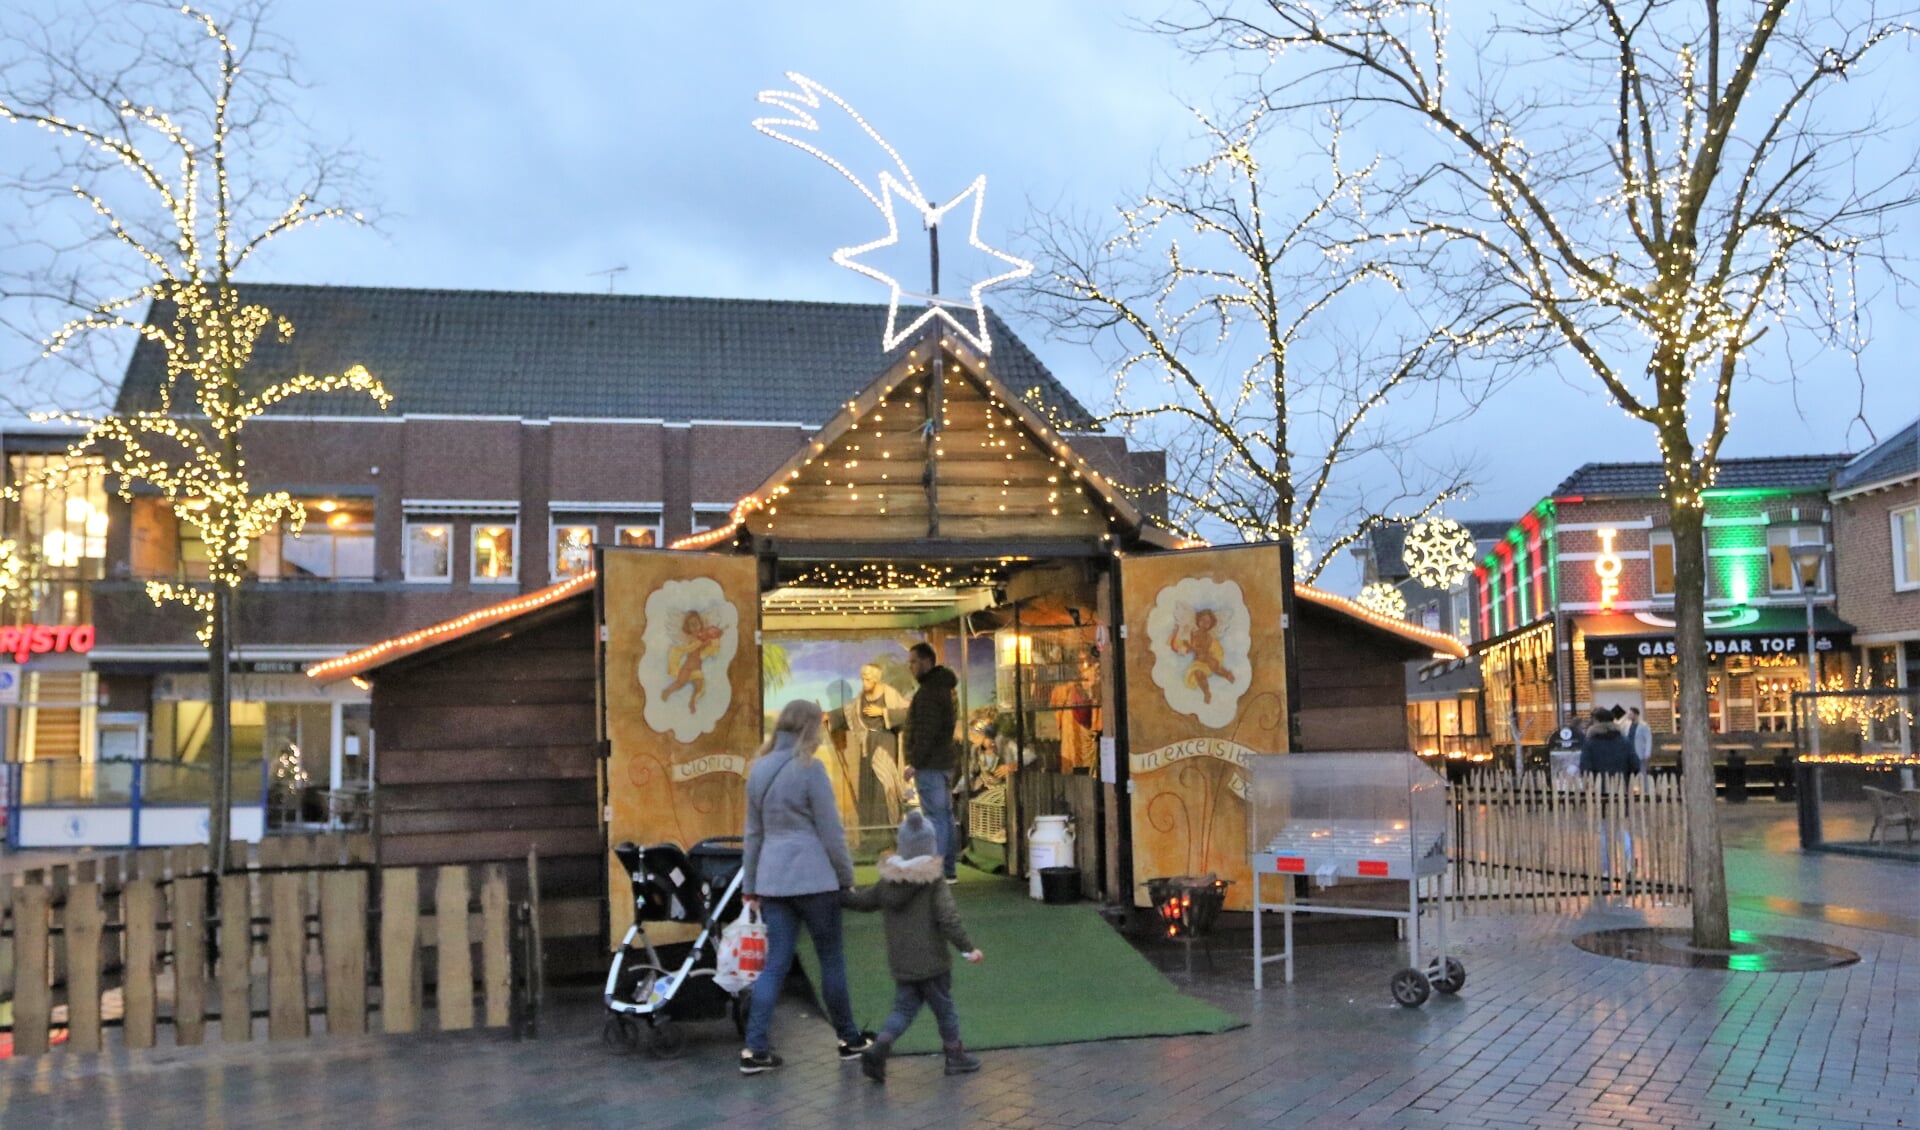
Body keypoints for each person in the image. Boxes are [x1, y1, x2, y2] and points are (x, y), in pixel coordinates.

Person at [739, 699, 872, 1075]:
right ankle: (848, 1039)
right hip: (816, 880)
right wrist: (847, 876)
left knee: (775, 963)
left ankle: (755, 1049)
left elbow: (753, 834)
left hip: (773, 881)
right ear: (811, 729)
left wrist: (751, 884)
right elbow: (831, 832)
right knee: (830, 959)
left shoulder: (759, 769)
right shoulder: (811, 770)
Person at [842, 811, 984, 1082]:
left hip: (902, 963)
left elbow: (862, 902)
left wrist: (837, 896)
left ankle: (880, 1046)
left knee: (903, 1010)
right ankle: (955, 1056)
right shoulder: (934, 881)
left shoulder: (887, 882)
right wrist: (968, 949)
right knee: (945, 1010)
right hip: (933, 963)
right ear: (931, 846)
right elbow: (948, 919)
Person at [905, 641, 961, 883]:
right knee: (946, 816)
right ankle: (948, 869)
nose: (911, 667)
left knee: (936, 817)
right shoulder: (944, 689)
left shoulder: (928, 693)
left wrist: (914, 762)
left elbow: (926, 731)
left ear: (927, 662)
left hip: (930, 765)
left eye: (914, 662)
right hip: (945, 763)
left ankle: (937, 871)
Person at [1577, 706, 1642, 879]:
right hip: (1621, 790)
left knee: (1605, 831)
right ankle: (1629, 861)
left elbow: (1585, 768)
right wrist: (1626, 777)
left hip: (1601, 792)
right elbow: (1635, 764)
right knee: (1621, 828)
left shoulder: (1591, 743)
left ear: (1596, 721)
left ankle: (1606, 870)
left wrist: (1589, 784)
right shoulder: (1623, 740)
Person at [846, 663, 909, 828]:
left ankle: (887, 837)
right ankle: (871, 838)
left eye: (867, 679)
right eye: (862, 679)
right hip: (868, 745)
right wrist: (829, 717)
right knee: (869, 788)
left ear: (876, 678)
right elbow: (848, 713)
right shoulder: (861, 698)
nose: (864, 682)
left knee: (884, 784)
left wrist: (883, 712)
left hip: (885, 743)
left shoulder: (890, 694)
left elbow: (907, 712)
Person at [1624, 706, 1653, 777]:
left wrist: (1647, 752)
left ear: (1636, 715)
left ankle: (1644, 786)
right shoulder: (1627, 725)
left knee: (1642, 772)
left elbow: (1648, 739)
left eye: (1630, 714)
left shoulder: (1644, 725)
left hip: (1640, 753)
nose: (1629, 716)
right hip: (1630, 753)